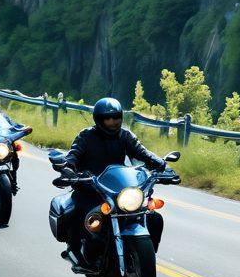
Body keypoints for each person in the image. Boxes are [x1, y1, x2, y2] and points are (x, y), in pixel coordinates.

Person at [52, 97, 165, 256]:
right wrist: (68, 170)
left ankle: (145, 258)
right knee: (78, 211)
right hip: (90, 188)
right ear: (99, 119)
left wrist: (162, 165)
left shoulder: (125, 136)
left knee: (154, 218)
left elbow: (143, 153)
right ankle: (75, 250)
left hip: (119, 189)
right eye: (107, 118)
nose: (113, 121)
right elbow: (73, 156)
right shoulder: (86, 136)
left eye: (116, 117)